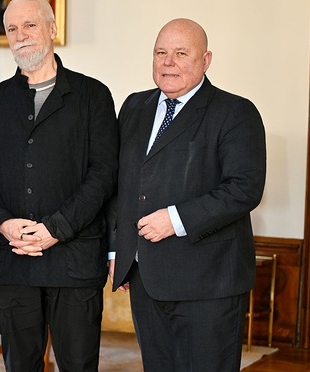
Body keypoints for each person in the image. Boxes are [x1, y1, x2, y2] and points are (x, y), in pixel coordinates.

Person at [0, 0, 118, 372]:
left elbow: (103, 174)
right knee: (20, 365)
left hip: (75, 261)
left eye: (30, 25)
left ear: (51, 29)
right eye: (12, 28)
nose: (21, 35)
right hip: (13, 260)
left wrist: (55, 229)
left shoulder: (92, 96)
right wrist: (4, 222)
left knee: (79, 365)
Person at [109, 18, 266, 371]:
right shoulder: (134, 107)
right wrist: (118, 250)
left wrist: (175, 219)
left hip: (209, 282)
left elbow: (244, 188)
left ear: (206, 60)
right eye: (161, 52)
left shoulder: (236, 112)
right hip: (145, 276)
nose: (168, 62)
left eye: (181, 53)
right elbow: (120, 184)